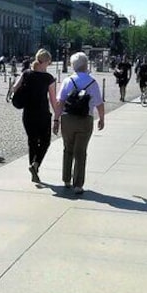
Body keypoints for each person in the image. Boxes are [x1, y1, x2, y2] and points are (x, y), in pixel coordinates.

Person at [56, 52, 105, 194]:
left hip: (68, 119)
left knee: (68, 149)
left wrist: (56, 119)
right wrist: (101, 118)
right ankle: (78, 184)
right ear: (86, 65)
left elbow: (60, 102)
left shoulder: (67, 81)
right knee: (81, 152)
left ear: (73, 65)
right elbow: (99, 103)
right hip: (85, 119)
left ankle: (66, 179)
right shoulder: (92, 82)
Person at [11, 49, 59, 182]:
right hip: (43, 113)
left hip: (28, 113)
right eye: (49, 62)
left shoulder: (26, 73)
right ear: (46, 62)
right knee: (45, 141)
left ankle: (33, 168)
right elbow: (53, 100)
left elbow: (14, 88)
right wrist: (57, 116)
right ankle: (36, 164)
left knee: (32, 141)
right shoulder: (48, 78)